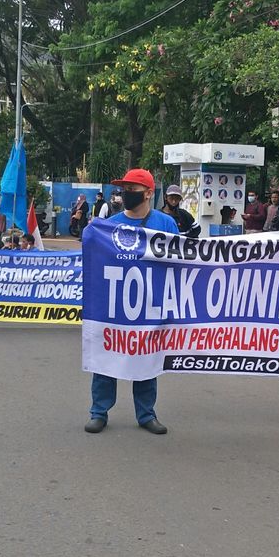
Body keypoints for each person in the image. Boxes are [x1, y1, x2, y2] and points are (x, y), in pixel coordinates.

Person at [85, 168, 179, 436]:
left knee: (147, 361)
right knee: (105, 358)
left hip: (150, 306)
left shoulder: (165, 225)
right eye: (123, 189)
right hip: (113, 307)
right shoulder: (107, 226)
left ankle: (146, 414)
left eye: (132, 190)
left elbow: (180, 261)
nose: (125, 194)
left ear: (149, 193)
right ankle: (98, 412)